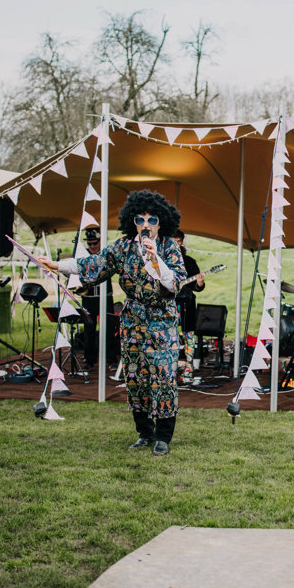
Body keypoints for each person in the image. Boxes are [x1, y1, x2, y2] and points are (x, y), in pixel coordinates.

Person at [37, 190, 187, 456]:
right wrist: (57, 265)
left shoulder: (169, 247)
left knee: (162, 376)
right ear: (133, 222)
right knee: (136, 377)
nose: (146, 225)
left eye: (152, 220)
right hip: (132, 322)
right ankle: (144, 433)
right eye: (140, 220)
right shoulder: (124, 246)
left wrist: (156, 260)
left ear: (161, 222)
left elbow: (174, 283)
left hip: (161, 322)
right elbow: (94, 264)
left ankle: (163, 436)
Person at [75, 227, 118, 367]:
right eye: (90, 243)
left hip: (106, 297)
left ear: (101, 242)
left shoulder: (106, 254)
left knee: (109, 329)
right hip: (88, 298)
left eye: (95, 243)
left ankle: (111, 360)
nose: (92, 246)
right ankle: (89, 359)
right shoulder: (83, 256)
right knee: (89, 330)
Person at [173, 229, 206, 334]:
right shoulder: (160, 260)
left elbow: (195, 287)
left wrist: (199, 284)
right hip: (166, 304)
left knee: (189, 334)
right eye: (173, 241)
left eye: (178, 241)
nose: (176, 244)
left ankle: (189, 350)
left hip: (186, 303)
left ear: (181, 242)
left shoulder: (190, 262)